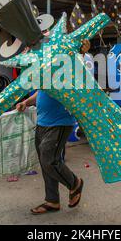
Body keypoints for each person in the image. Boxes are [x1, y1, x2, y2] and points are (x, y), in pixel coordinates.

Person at [16, 40, 90, 215]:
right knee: (45, 162)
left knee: (50, 160)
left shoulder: (67, 68)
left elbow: (78, 71)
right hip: (42, 122)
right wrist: (26, 102)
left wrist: (82, 52)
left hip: (59, 122)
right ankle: (52, 201)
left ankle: (75, 183)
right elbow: (41, 92)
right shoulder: (46, 68)